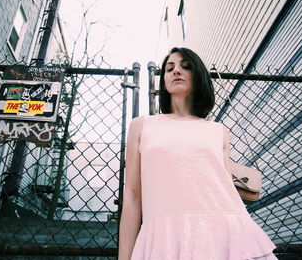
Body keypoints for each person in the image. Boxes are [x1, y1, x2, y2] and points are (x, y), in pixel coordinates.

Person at [118, 47, 277, 260]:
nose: (176, 71)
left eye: (186, 66)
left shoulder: (218, 130)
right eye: (169, 68)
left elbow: (226, 187)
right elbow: (132, 196)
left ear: (198, 76)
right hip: (165, 236)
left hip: (225, 231)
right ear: (163, 80)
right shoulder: (142, 126)